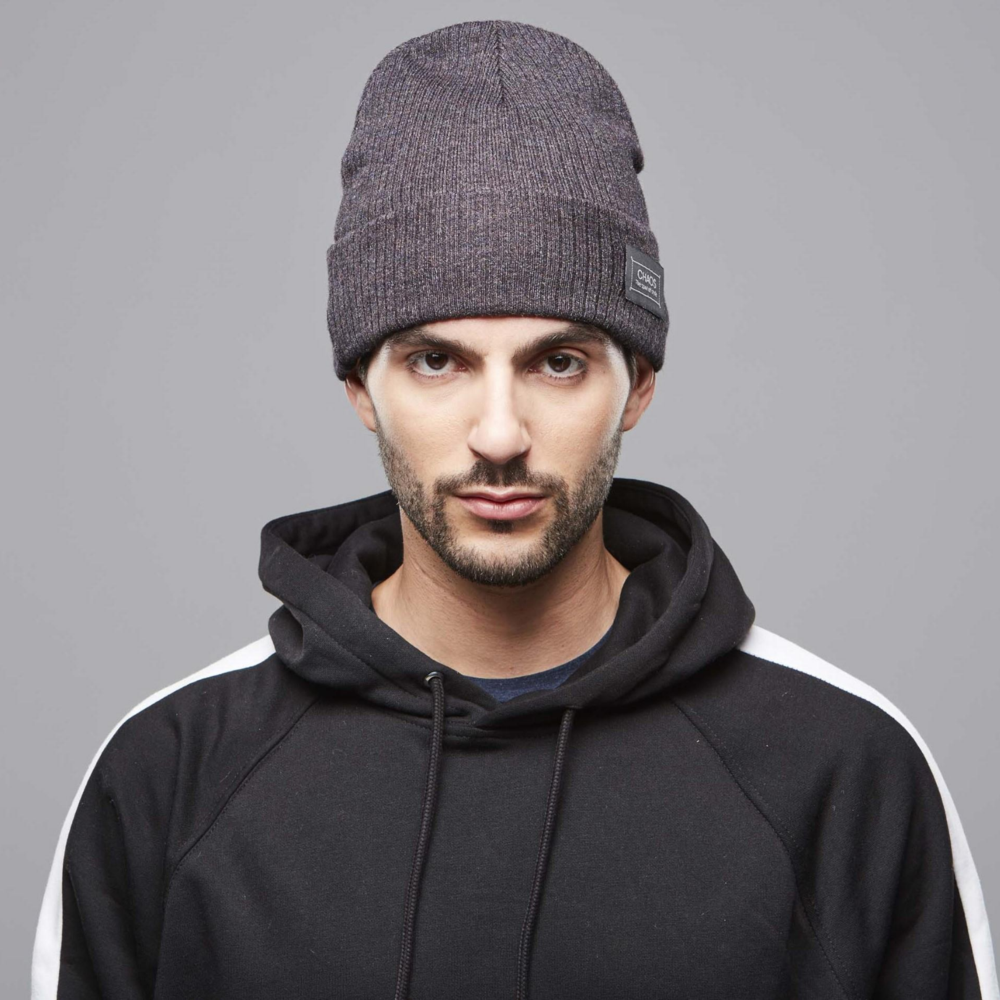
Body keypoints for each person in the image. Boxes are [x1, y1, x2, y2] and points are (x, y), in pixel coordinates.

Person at [31, 18, 997, 1000]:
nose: (499, 433)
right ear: (361, 386)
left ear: (638, 385)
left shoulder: (844, 768)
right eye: (436, 361)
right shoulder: (170, 772)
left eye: (559, 362)